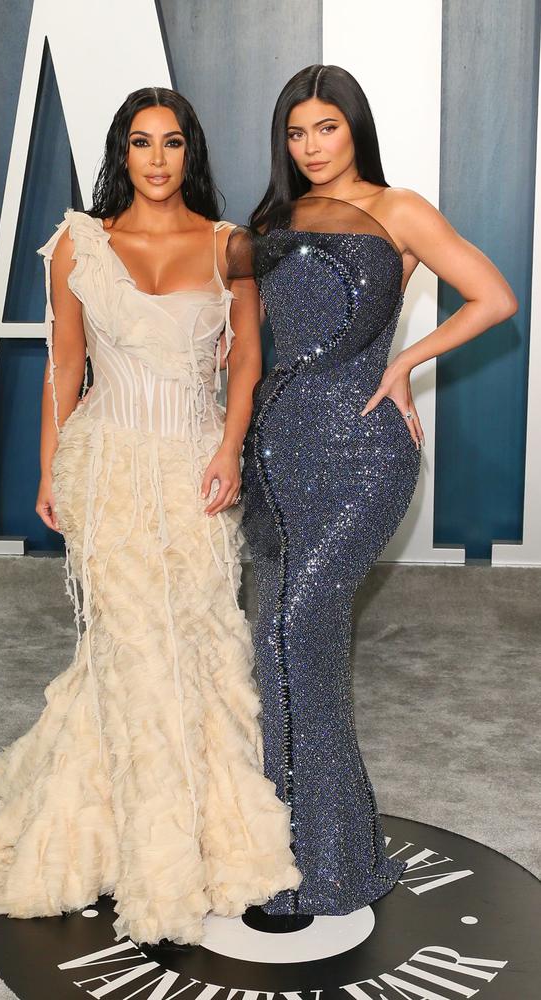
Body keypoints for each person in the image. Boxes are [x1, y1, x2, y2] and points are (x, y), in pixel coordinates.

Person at [0, 86, 301, 947]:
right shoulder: (79, 246)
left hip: (194, 471)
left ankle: (218, 836)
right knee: (132, 647)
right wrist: (51, 474)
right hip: (109, 467)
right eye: (141, 143)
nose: (157, 159)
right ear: (122, 152)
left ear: (192, 154)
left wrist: (227, 453)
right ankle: (151, 862)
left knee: (200, 647)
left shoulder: (230, 247)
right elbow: (63, 370)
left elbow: (248, 363)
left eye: (173, 142)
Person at [228, 64, 517, 920]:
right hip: (276, 452)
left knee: (294, 629)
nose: (311, 146)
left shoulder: (401, 210)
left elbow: (494, 297)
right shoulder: (269, 221)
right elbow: (243, 339)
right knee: (273, 643)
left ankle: (332, 865)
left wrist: (405, 361)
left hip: (364, 454)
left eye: (327, 128)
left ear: (355, 128)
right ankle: (304, 849)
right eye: (296, 131)